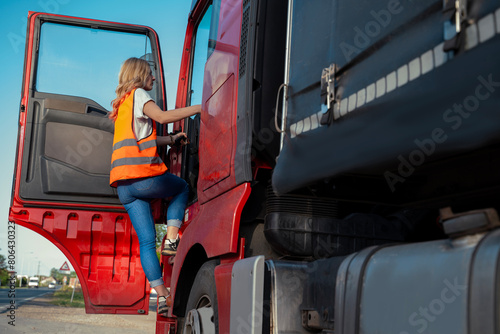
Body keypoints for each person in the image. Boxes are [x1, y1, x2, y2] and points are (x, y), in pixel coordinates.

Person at [109, 57, 201, 314]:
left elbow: (144, 140)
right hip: (143, 178)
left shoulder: (122, 104)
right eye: (150, 73)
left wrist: (171, 139)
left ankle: (162, 297)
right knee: (181, 187)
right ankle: (172, 239)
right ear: (139, 75)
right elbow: (162, 115)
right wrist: (198, 108)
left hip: (124, 188)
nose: (154, 78)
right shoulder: (138, 94)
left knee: (147, 242)